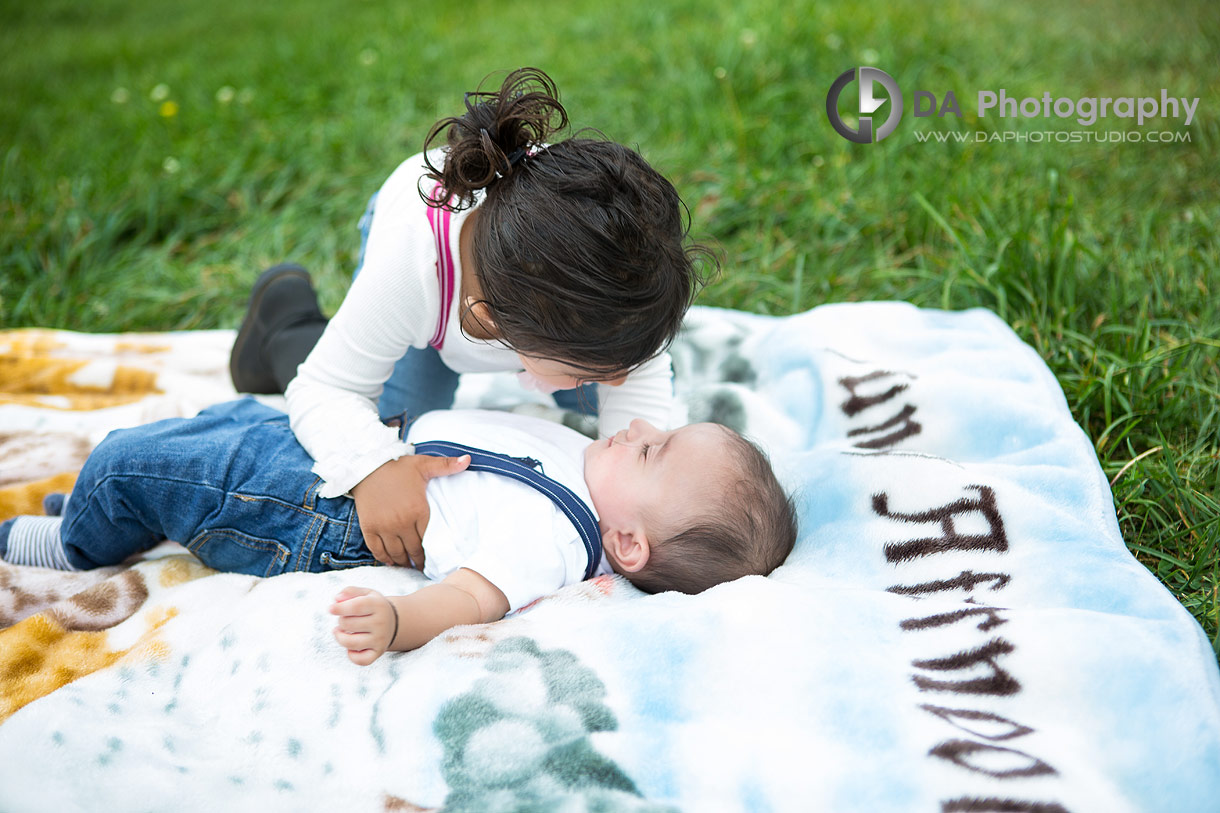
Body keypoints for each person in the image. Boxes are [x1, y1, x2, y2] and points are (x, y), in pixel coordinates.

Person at [227, 67, 715, 577]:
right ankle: (286, 317)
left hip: (539, 291)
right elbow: (327, 388)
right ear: (492, 325)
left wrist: (626, 502)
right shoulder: (406, 276)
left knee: (609, 385)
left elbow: (636, 392)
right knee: (395, 434)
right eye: (592, 370)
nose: (619, 380)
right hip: (430, 294)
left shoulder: (608, 282)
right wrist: (373, 466)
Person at [0, 400, 797, 665]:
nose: (642, 428)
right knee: (209, 429)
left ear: (627, 544)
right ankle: (90, 513)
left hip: (315, 510)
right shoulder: (587, 467)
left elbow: (471, 599)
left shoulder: (552, 537)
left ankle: (67, 546)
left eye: (654, 449)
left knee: (135, 465)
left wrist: (397, 622)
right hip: (353, 453)